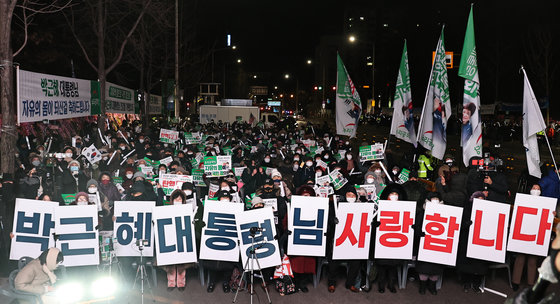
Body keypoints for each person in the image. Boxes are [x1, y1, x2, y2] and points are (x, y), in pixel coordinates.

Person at [511, 183, 542, 291]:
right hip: (523, 232)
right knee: (520, 258)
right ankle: (516, 282)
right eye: (534, 188)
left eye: (538, 189)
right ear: (530, 190)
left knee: (532, 261)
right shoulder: (524, 200)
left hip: (535, 234)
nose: (536, 190)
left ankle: (530, 283)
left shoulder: (544, 203)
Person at [162, 189, 194, 291]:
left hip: (182, 237)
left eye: (180, 199)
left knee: (181, 263)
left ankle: (181, 283)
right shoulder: (166, 210)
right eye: (176, 198)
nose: (178, 200)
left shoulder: (188, 210)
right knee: (171, 262)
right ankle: (171, 283)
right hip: (170, 237)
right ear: (172, 200)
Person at [414, 192, 445, 295]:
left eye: (437, 198)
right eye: (433, 198)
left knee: (436, 267)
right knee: (424, 267)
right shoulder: (422, 213)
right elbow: (416, 228)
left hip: (438, 245)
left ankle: (432, 286)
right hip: (424, 245)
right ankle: (422, 286)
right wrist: (420, 233)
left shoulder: (446, 213)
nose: (435, 200)